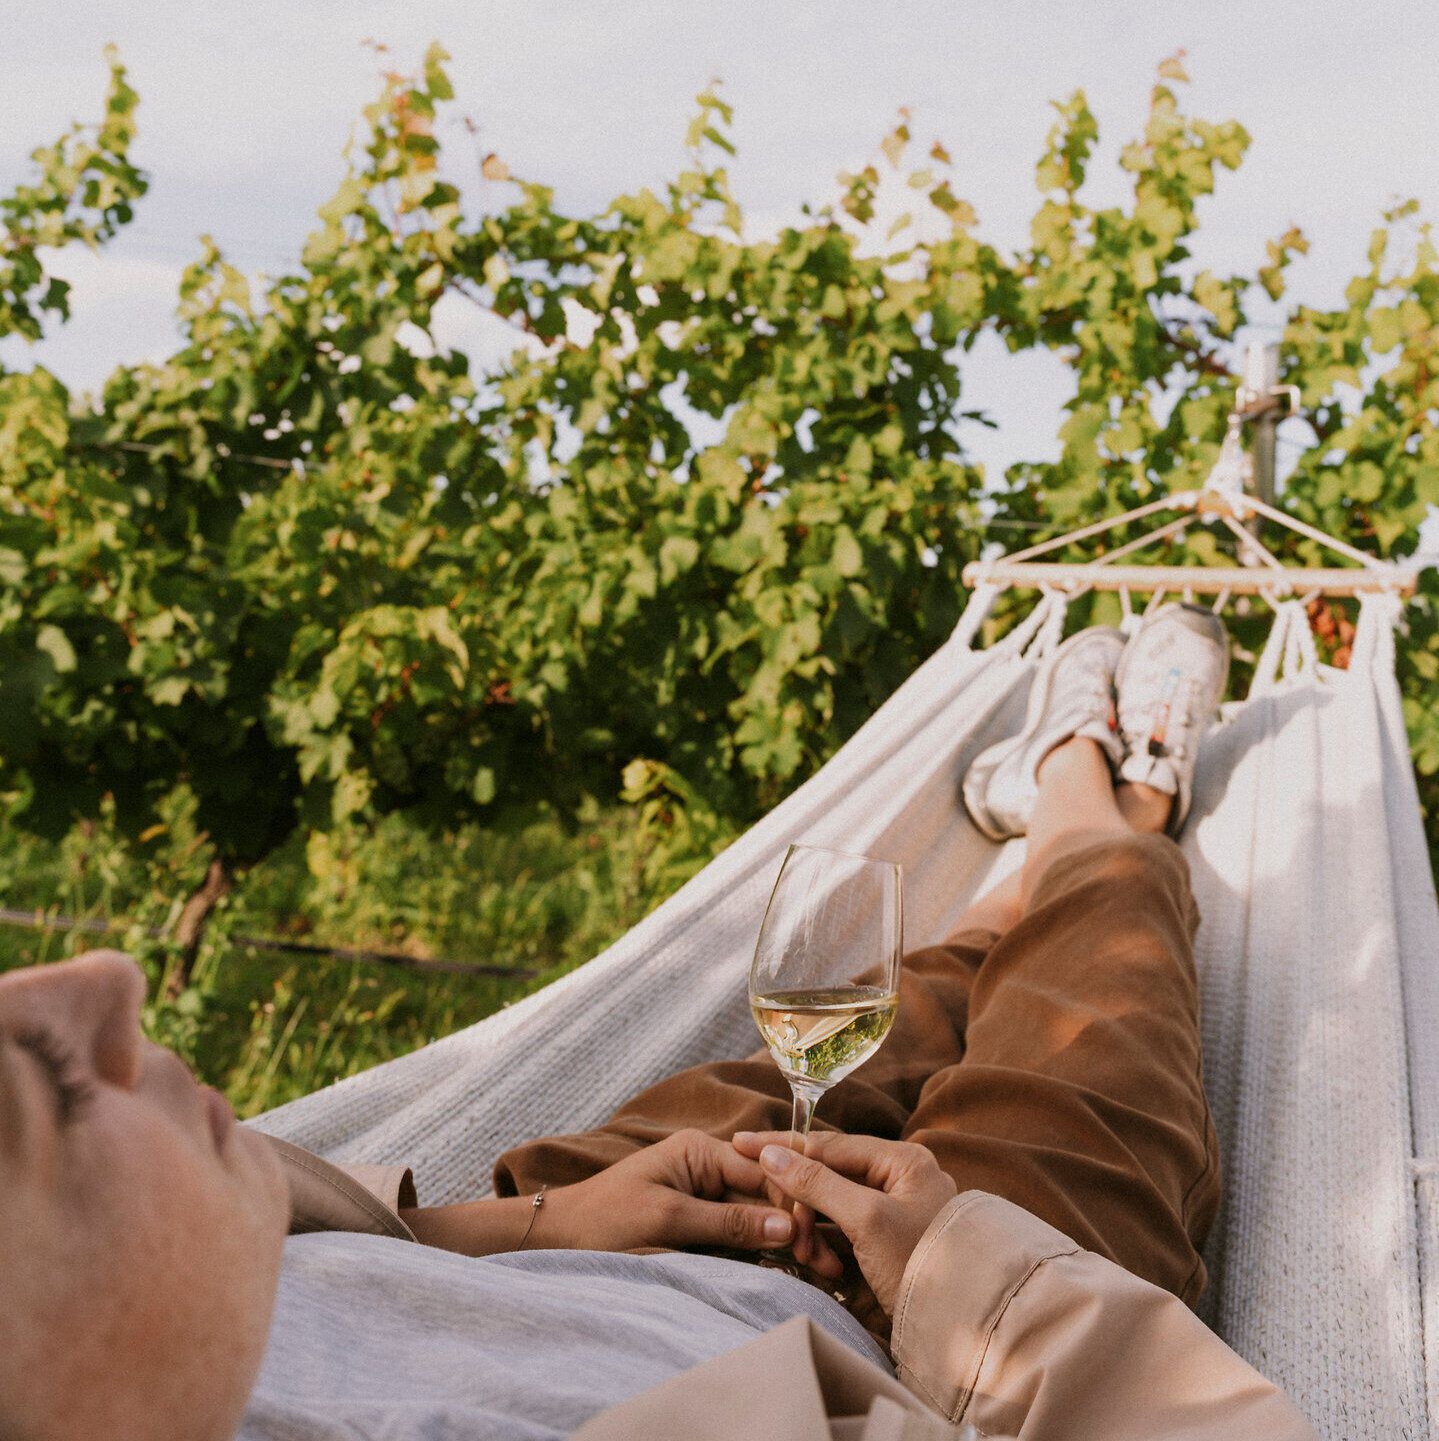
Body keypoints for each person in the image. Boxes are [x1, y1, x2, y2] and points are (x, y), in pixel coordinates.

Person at [0, 606, 1320, 1440]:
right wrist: (992, 1299)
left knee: (888, 1000)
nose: (102, 976)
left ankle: (1037, 851)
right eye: (33, 1099)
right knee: (1095, 1003)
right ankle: (1097, 799)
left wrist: (520, 1223)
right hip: (922, 1352)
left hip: (574, 1218)